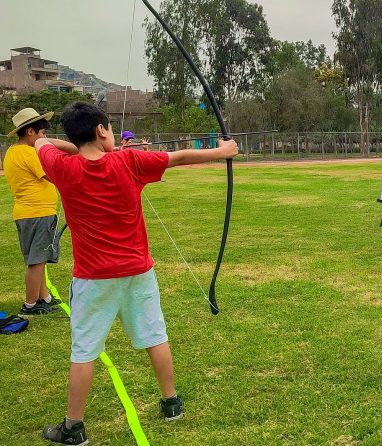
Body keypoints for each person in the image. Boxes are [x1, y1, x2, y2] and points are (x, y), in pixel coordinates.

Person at [35, 102, 238, 445]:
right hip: (137, 272)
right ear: (101, 131)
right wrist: (224, 150)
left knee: (84, 350)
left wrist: (77, 145)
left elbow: (42, 143)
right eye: (109, 128)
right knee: (154, 334)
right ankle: (171, 402)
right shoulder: (128, 161)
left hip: (93, 278)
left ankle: (74, 427)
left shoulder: (62, 167)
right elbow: (181, 157)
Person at [2, 108, 62, 315]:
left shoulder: (12, 151)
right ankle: (30, 304)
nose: (45, 139)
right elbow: (52, 174)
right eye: (43, 134)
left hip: (25, 214)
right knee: (36, 262)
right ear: (30, 132)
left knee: (38, 259)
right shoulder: (29, 153)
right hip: (38, 213)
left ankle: (43, 297)